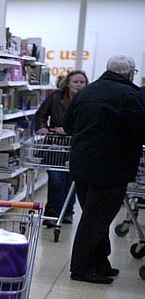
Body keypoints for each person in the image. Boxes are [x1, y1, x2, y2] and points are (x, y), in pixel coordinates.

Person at [63, 55, 145, 284]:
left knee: (94, 216)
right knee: (96, 220)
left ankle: (101, 263)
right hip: (112, 168)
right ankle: (81, 268)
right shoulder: (131, 96)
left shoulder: (85, 93)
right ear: (129, 74)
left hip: (81, 165)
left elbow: (68, 125)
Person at [34, 70, 87, 225]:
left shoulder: (87, 99)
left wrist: (69, 129)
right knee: (56, 180)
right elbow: (41, 114)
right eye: (75, 82)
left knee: (71, 181)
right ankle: (52, 212)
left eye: (82, 82)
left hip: (76, 145)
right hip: (55, 145)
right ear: (67, 83)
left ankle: (68, 212)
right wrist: (42, 127)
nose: (78, 85)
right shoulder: (55, 96)